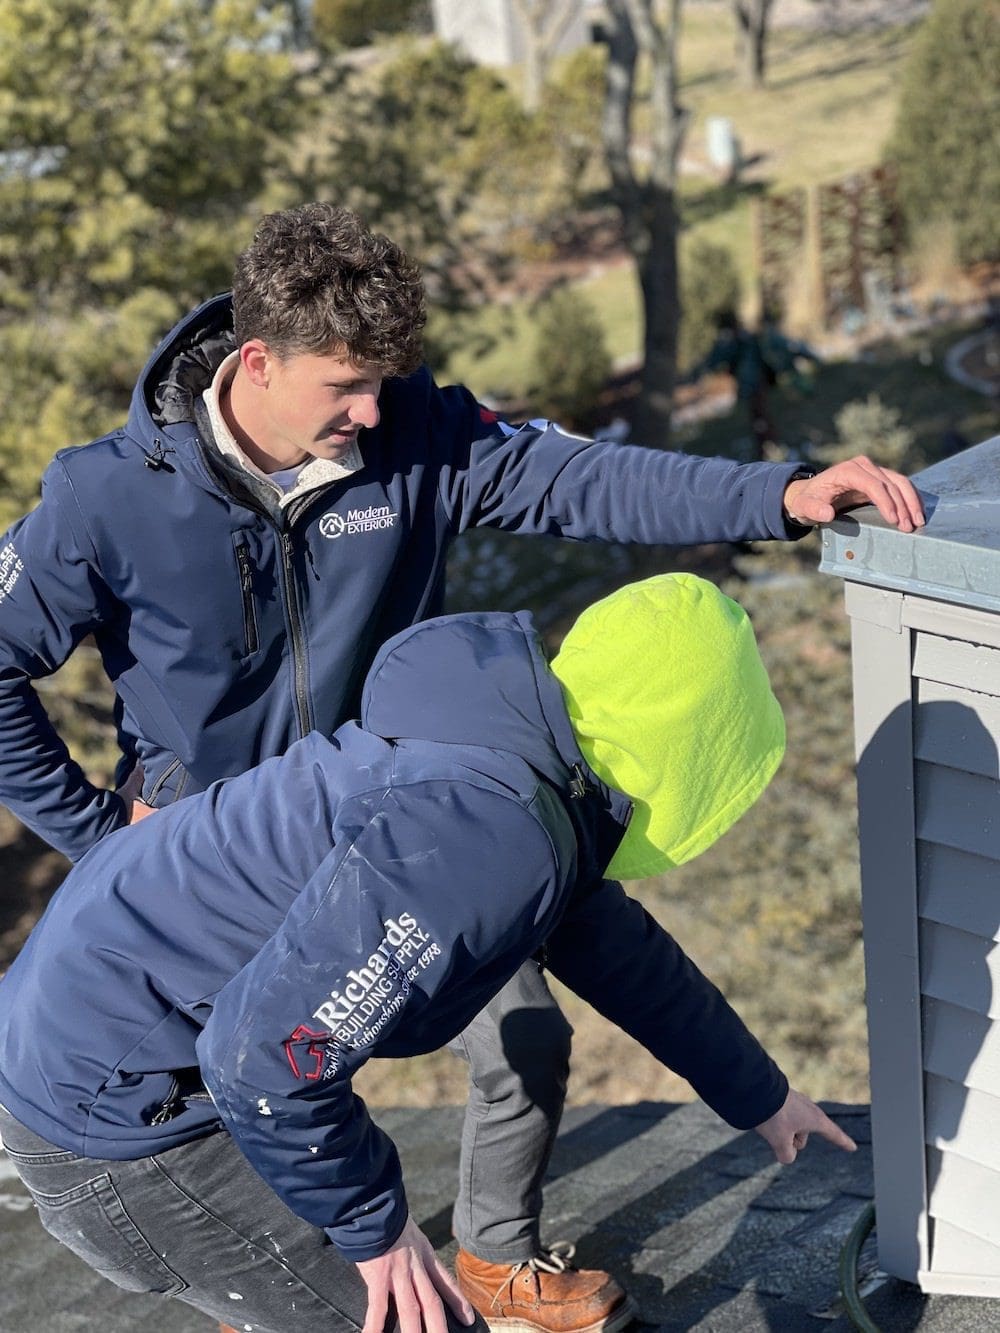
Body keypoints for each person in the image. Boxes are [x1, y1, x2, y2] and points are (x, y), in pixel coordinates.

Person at [0, 204, 920, 1331]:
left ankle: (494, 1255)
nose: (370, 411)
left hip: (429, 806)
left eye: (385, 381)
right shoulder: (110, 496)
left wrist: (776, 495)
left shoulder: (416, 438)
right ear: (257, 362)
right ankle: (295, 1276)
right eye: (344, 387)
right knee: (259, 1078)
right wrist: (97, 832)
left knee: (525, 1029)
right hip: (222, 860)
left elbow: (588, 484)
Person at [0, 574, 857, 1333]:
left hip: (116, 1050)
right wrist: (375, 1229)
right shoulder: (488, 829)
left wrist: (763, 1094)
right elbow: (267, 1060)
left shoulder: (522, 763)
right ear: (683, 754)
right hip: (116, 1117)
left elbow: (622, 954)